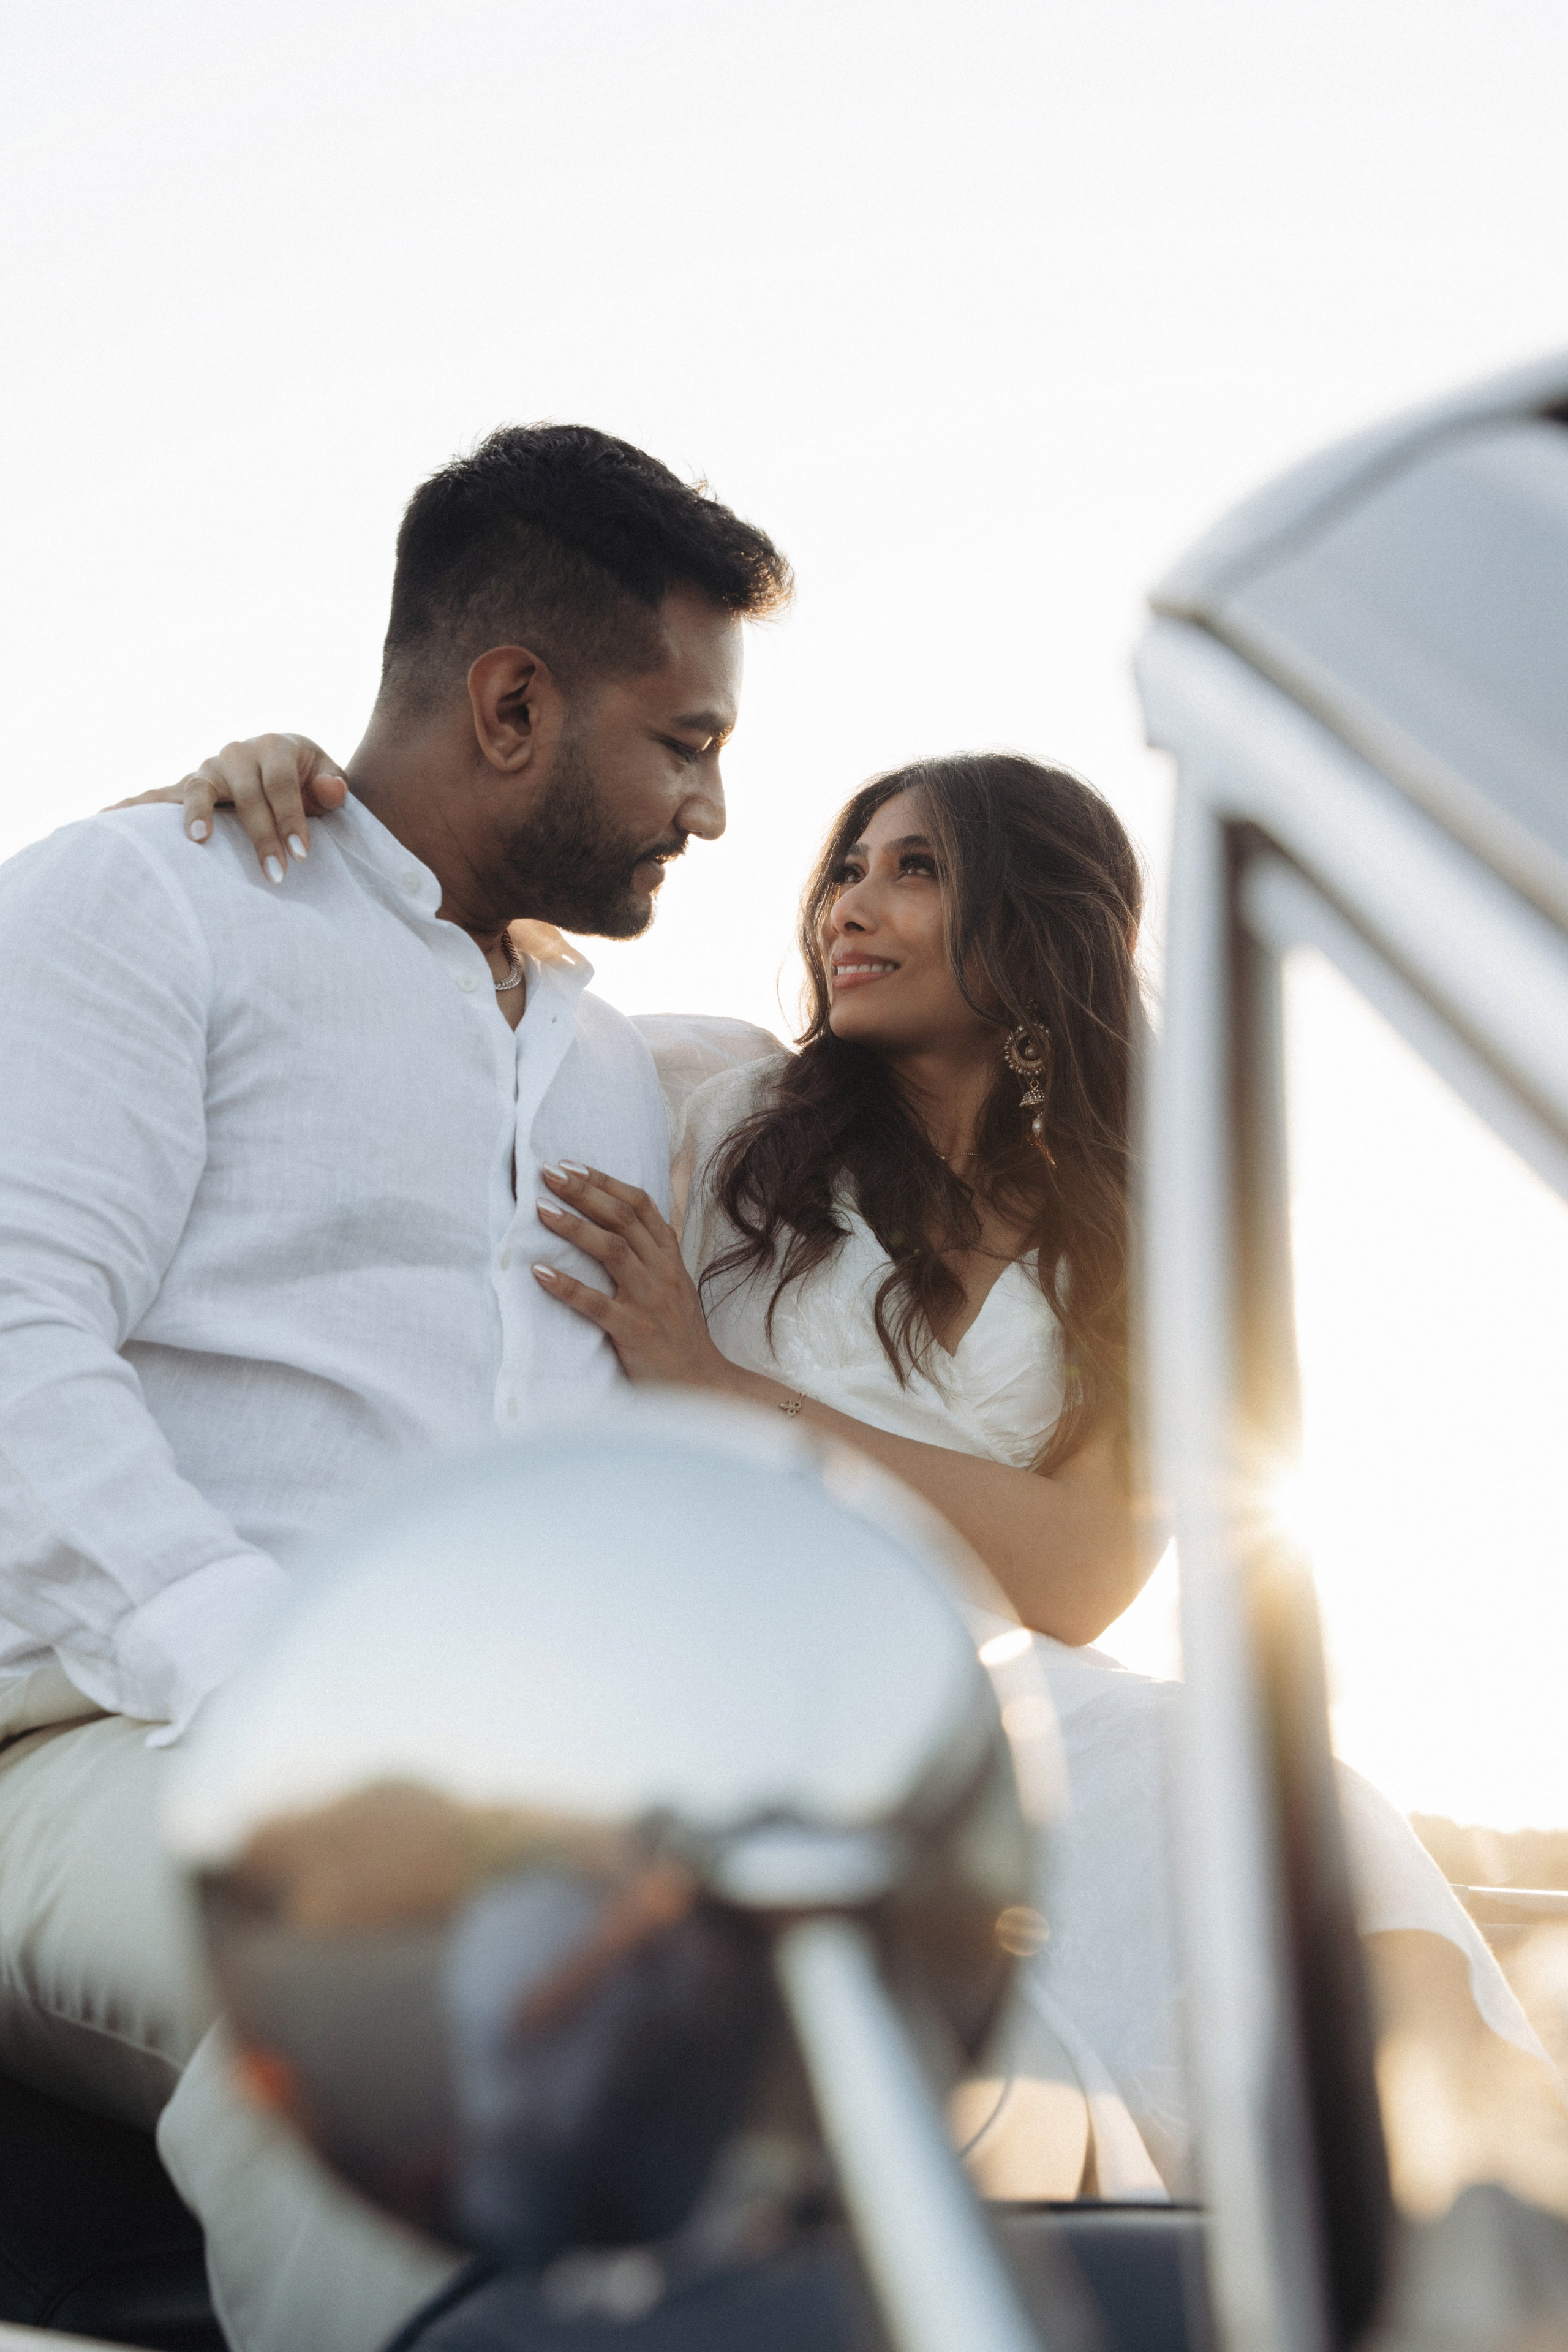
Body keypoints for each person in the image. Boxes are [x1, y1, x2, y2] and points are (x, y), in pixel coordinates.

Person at [154, 739, 1568, 2208]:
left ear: (1036, 928)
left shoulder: (1149, 1223)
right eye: (844, 866)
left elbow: (1082, 1575)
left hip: (1006, 1684)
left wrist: (727, 1389)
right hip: (707, 1662)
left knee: (1283, 1799)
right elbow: (444, 997)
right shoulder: (712, 1103)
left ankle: (1464, 2232)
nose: (848, 905)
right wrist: (255, 818)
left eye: (912, 870)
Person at [0, 421, 791, 2352]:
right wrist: (312, 1706)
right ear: (513, 701)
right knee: (407, 1986)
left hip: (514, 1801)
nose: (707, 813)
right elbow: (17, 1340)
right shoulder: (147, 899)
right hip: (82, 1741)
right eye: (682, 744)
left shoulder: (623, 1072)